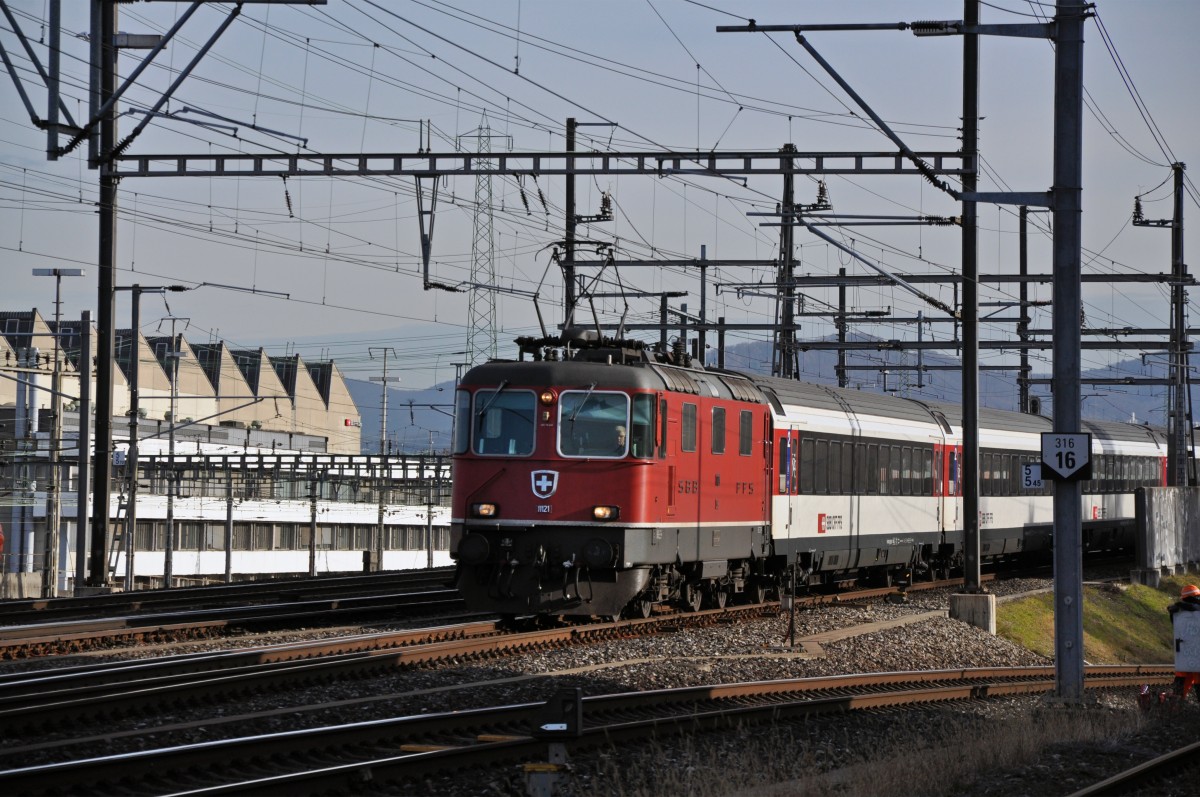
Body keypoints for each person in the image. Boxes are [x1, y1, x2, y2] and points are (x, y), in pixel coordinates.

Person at [1168, 584, 1200, 700]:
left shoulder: (1179, 611)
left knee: (1181, 679)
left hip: (1184, 653)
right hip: (1195, 654)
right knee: (1197, 679)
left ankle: (1176, 704)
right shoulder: (1182, 610)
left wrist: (1177, 607)